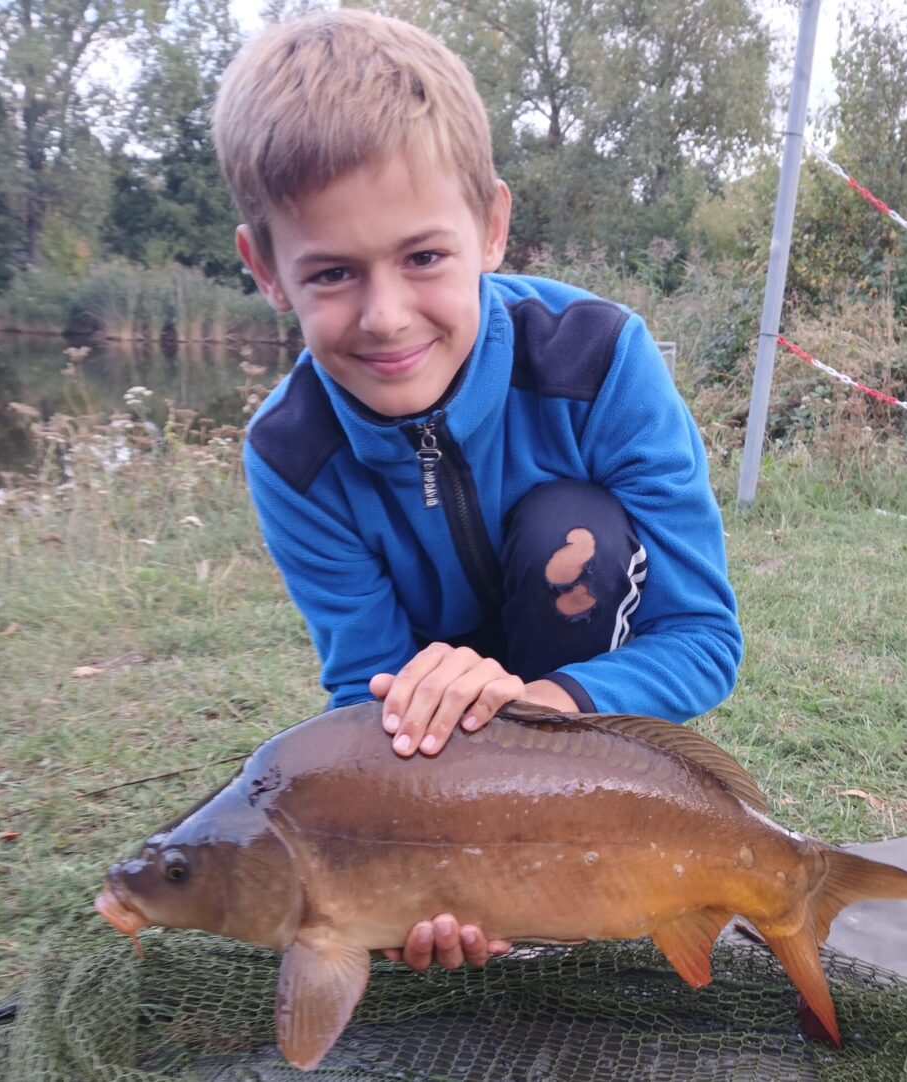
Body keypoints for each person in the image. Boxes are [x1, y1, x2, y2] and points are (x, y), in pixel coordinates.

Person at [212, 9, 741, 975]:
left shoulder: (602, 356)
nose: (385, 316)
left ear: (491, 226)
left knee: (567, 524)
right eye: (331, 272)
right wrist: (410, 852)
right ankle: (494, 878)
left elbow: (704, 640)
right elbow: (359, 695)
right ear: (265, 269)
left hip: (581, 710)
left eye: (424, 257)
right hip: (435, 752)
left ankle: (560, 841)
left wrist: (534, 709)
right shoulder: (290, 453)